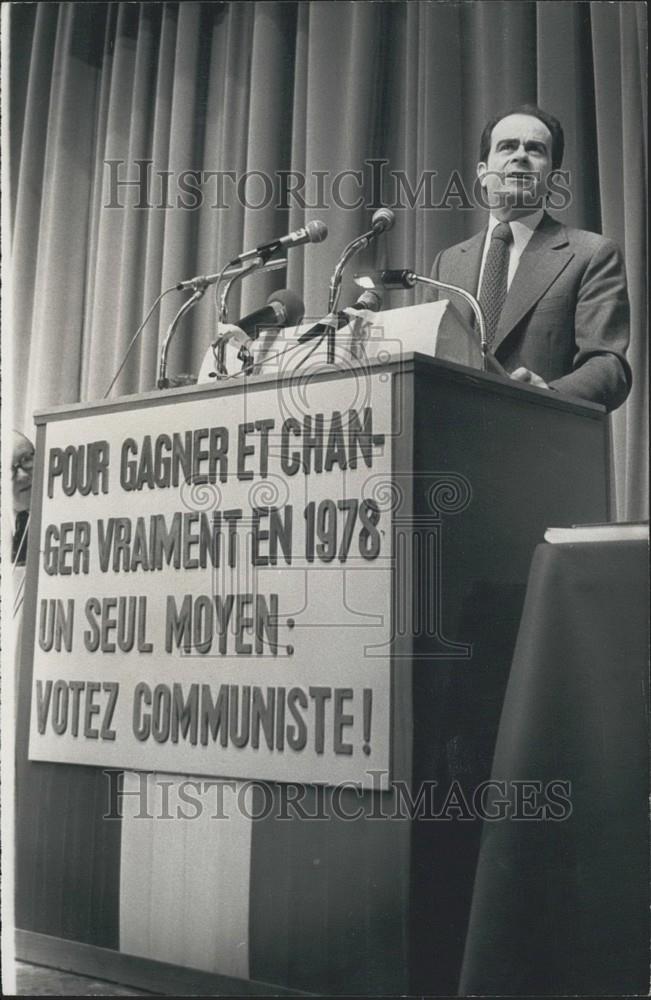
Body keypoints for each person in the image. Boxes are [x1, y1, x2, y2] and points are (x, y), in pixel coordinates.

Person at [430, 105, 631, 412]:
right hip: (450, 445)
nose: (520, 156)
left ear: (553, 177)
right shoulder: (447, 263)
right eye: (507, 146)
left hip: (541, 439)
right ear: (483, 173)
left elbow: (608, 366)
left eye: (535, 149)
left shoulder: (592, 254)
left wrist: (547, 393)